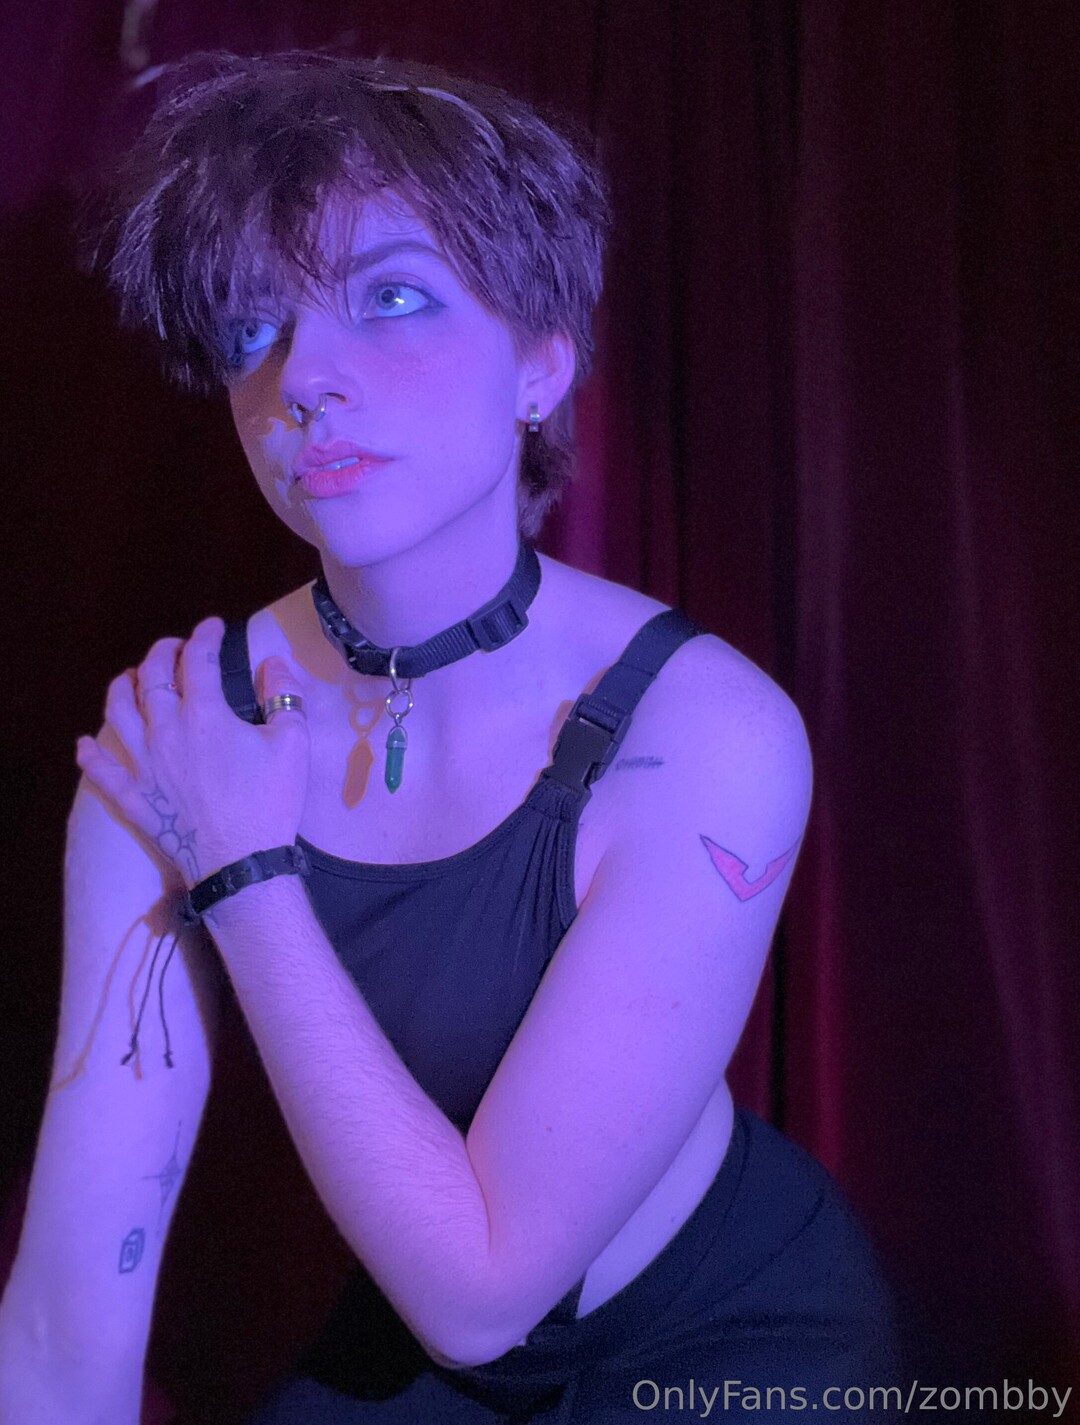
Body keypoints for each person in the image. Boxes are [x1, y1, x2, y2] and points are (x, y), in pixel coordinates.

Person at [0, 50, 901, 1424]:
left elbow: (484, 1289)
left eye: (393, 297)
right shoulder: (181, 736)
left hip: (728, 1342)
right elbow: (71, 1313)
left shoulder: (706, 729)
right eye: (252, 329)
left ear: (543, 362)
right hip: (425, 1347)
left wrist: (243, 868)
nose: (305, 379)